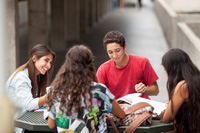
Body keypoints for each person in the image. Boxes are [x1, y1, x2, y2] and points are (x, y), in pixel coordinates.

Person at [46, 45, 125, 133]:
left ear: (67, 65)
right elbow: (121, 114)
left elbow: (51, 124)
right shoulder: (100, 91)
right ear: (90, 65)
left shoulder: (56, 91)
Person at [96, 30, 159, 100]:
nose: (115, 55)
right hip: (118, 108)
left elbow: (155, 90)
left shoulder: (143, 62)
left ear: (125, 47)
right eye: (110, 52)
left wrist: (145, 89)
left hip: (140, 105)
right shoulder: (103, 69)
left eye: (117, 50)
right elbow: (98, 96)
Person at [6, 44, 56, 115]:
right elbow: (29, 105)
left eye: (50, 62)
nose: (49, 66)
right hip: (15, 123)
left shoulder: (36, 76)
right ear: (34, 58)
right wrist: (50, 95)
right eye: (46, 60)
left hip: (25, 120)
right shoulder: (21, 77)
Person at [162, 48, 200, 132]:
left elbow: (167, 118)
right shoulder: (196, 80)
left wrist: (170, 106)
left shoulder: (183, 86)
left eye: (166, 70)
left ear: (173, 69)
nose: (166, 75)